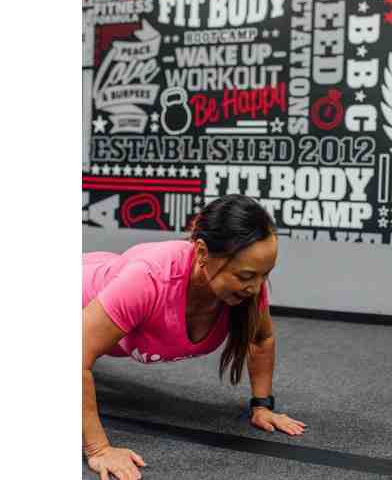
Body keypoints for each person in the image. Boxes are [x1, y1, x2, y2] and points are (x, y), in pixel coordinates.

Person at [83, 195, 306, 480]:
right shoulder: (149, 280)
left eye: (265, 274)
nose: (256, 287)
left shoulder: (249, 286)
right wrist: (99, 449)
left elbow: (261, 339)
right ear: (202, 252)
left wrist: (261, 406)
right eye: (246, 276)